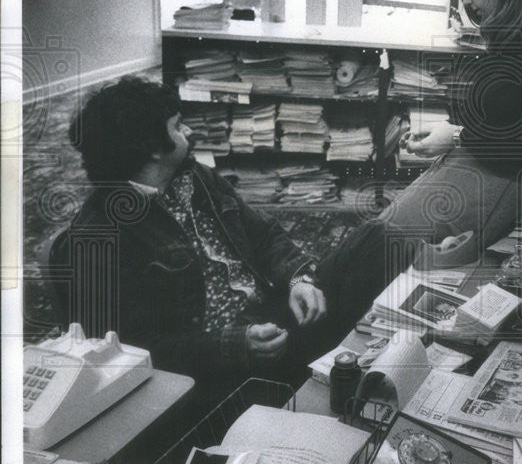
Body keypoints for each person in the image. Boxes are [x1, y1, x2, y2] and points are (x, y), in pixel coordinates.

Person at [319, 0, 522, 320]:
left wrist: (457, 135)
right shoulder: (519, 29)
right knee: (375, 237)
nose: (467, 0)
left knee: (383, 250)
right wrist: (453, 131)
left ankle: (321, 327)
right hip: (480, 167)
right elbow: (502, 109)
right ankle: (314, 303)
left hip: (499, 180)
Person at [51, 77, 328, 405]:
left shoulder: (194, 175)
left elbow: (264, 234)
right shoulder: (96, 238)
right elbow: (128, 350)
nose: (190, 132)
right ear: (153, 148)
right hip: (217, 369)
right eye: (178, 126)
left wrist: (297, 279)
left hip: (275, 317)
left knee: (372, 241)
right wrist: (232, 345)